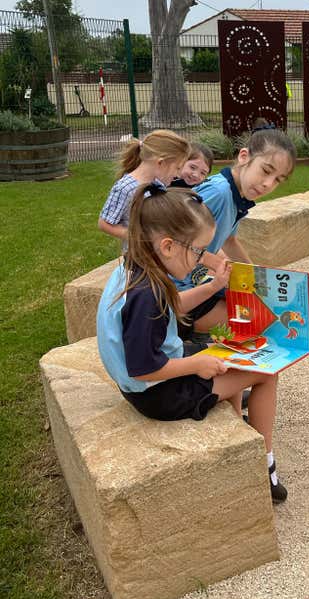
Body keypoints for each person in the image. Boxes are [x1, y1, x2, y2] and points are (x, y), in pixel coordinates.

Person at [96, 183, 287, 502]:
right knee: (267, 373)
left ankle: (237, 429)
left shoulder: (139, 269)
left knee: (231, 353)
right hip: (159, 394)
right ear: (168, 246)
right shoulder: (147, 296)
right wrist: (197, 364)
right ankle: (263, 464)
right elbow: (143, 369)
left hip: (151, 381)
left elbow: (171, 305)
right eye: (198, 250)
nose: (202, 259)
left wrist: (213, 288)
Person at [175, 124, 297, 337]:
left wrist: (257, 278)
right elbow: (174, 241)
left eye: (278, 179)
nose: (268, 184)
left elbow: (229, 241)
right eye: (266, 170)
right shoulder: (219, 193)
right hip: (175, 291)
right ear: (244, 157)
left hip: (193, 280)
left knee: (264, 310)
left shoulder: (237, 195)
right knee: (259, 324)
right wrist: (215, 267)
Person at [98, 130, 190, 246]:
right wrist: (141, 238)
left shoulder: (157, 184)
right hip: (139, 258)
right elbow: (104, 223)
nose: (178, 174)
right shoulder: (125, 188)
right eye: (177, 168)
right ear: (161, 162)